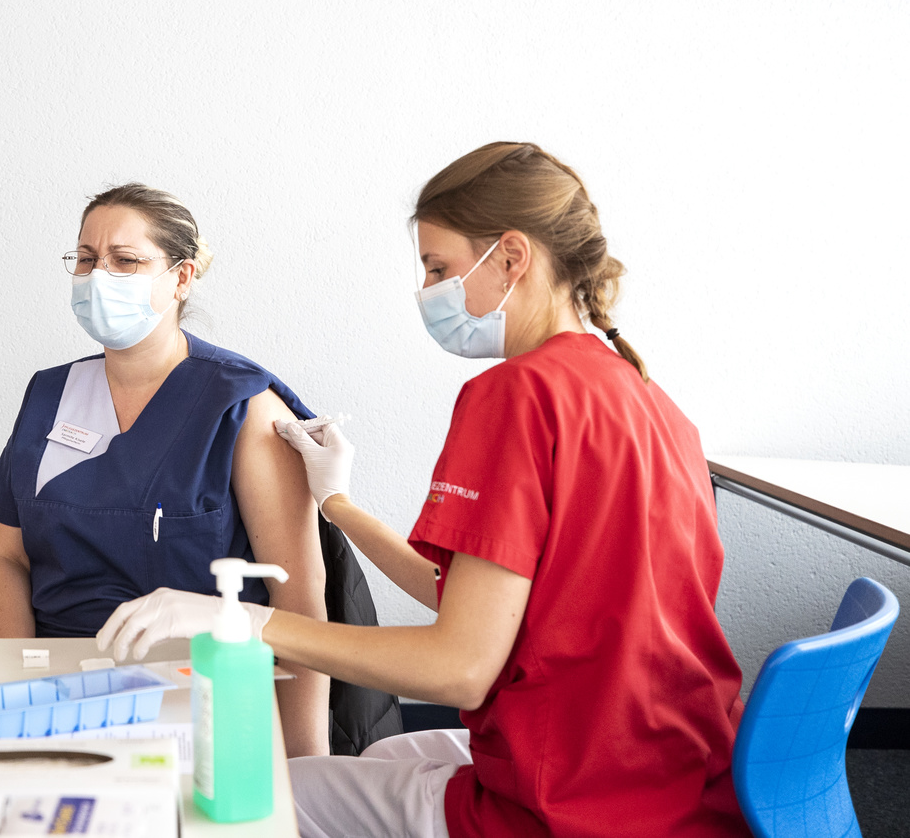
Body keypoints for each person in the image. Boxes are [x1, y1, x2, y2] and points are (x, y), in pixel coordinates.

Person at [97, 144, 751, 836]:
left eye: (439, 268)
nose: (428, 291)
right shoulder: (647, 397)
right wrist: (337, 503)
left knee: (263, 800)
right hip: (673, 771)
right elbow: (476, 598)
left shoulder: (516, 395)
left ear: (511, 257)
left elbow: (461, 667)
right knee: (386, 749)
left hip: (571, 801)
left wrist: (240, 621)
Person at [0, 183, 330, 757]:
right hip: (60, 694)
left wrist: (305, 764)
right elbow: (3, 558)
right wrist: (23, 691)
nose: (97, 276)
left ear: (181, 278)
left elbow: (301, 598)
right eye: (86, 259)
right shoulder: (49, 393)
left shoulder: (242, 406)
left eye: (125, 261)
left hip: (204, 698)